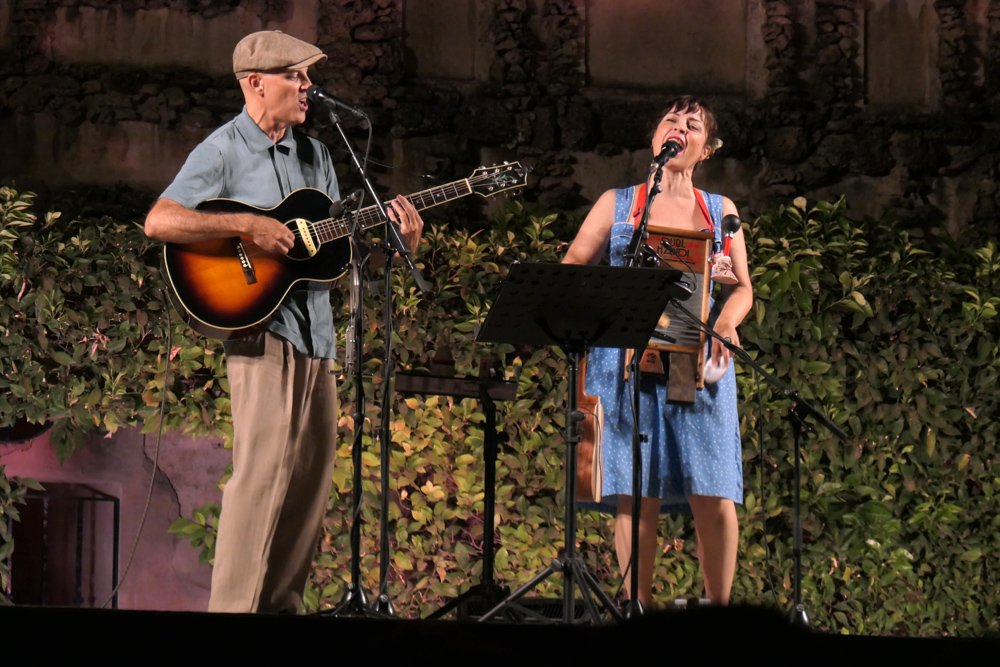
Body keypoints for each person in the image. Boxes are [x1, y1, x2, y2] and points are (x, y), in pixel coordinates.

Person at [144, 30, 424, 613]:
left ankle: (280, 609)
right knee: (261, 475)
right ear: (255, 83)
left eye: (306, 76)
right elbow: (161, 221)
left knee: (309, 482)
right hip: (260, 333)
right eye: (295, 76)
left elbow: (327, 253)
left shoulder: (316, 154)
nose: (307, 86)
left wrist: (399, 244)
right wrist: (245, 225)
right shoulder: (222, 150)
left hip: (315, 332)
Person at [562, 95, 753, 609]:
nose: (678, 128)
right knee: (636, 488)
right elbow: (574, 264)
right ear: (655, 138)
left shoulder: (720, 211)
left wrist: (727, 324)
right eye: (671, 120)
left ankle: (719, 611)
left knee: (712, 489)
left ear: (706, 149)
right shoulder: (619, 204)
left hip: (696, 357)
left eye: (691, 125)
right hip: (627, 359)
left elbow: (742, 288)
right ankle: (638, 612)